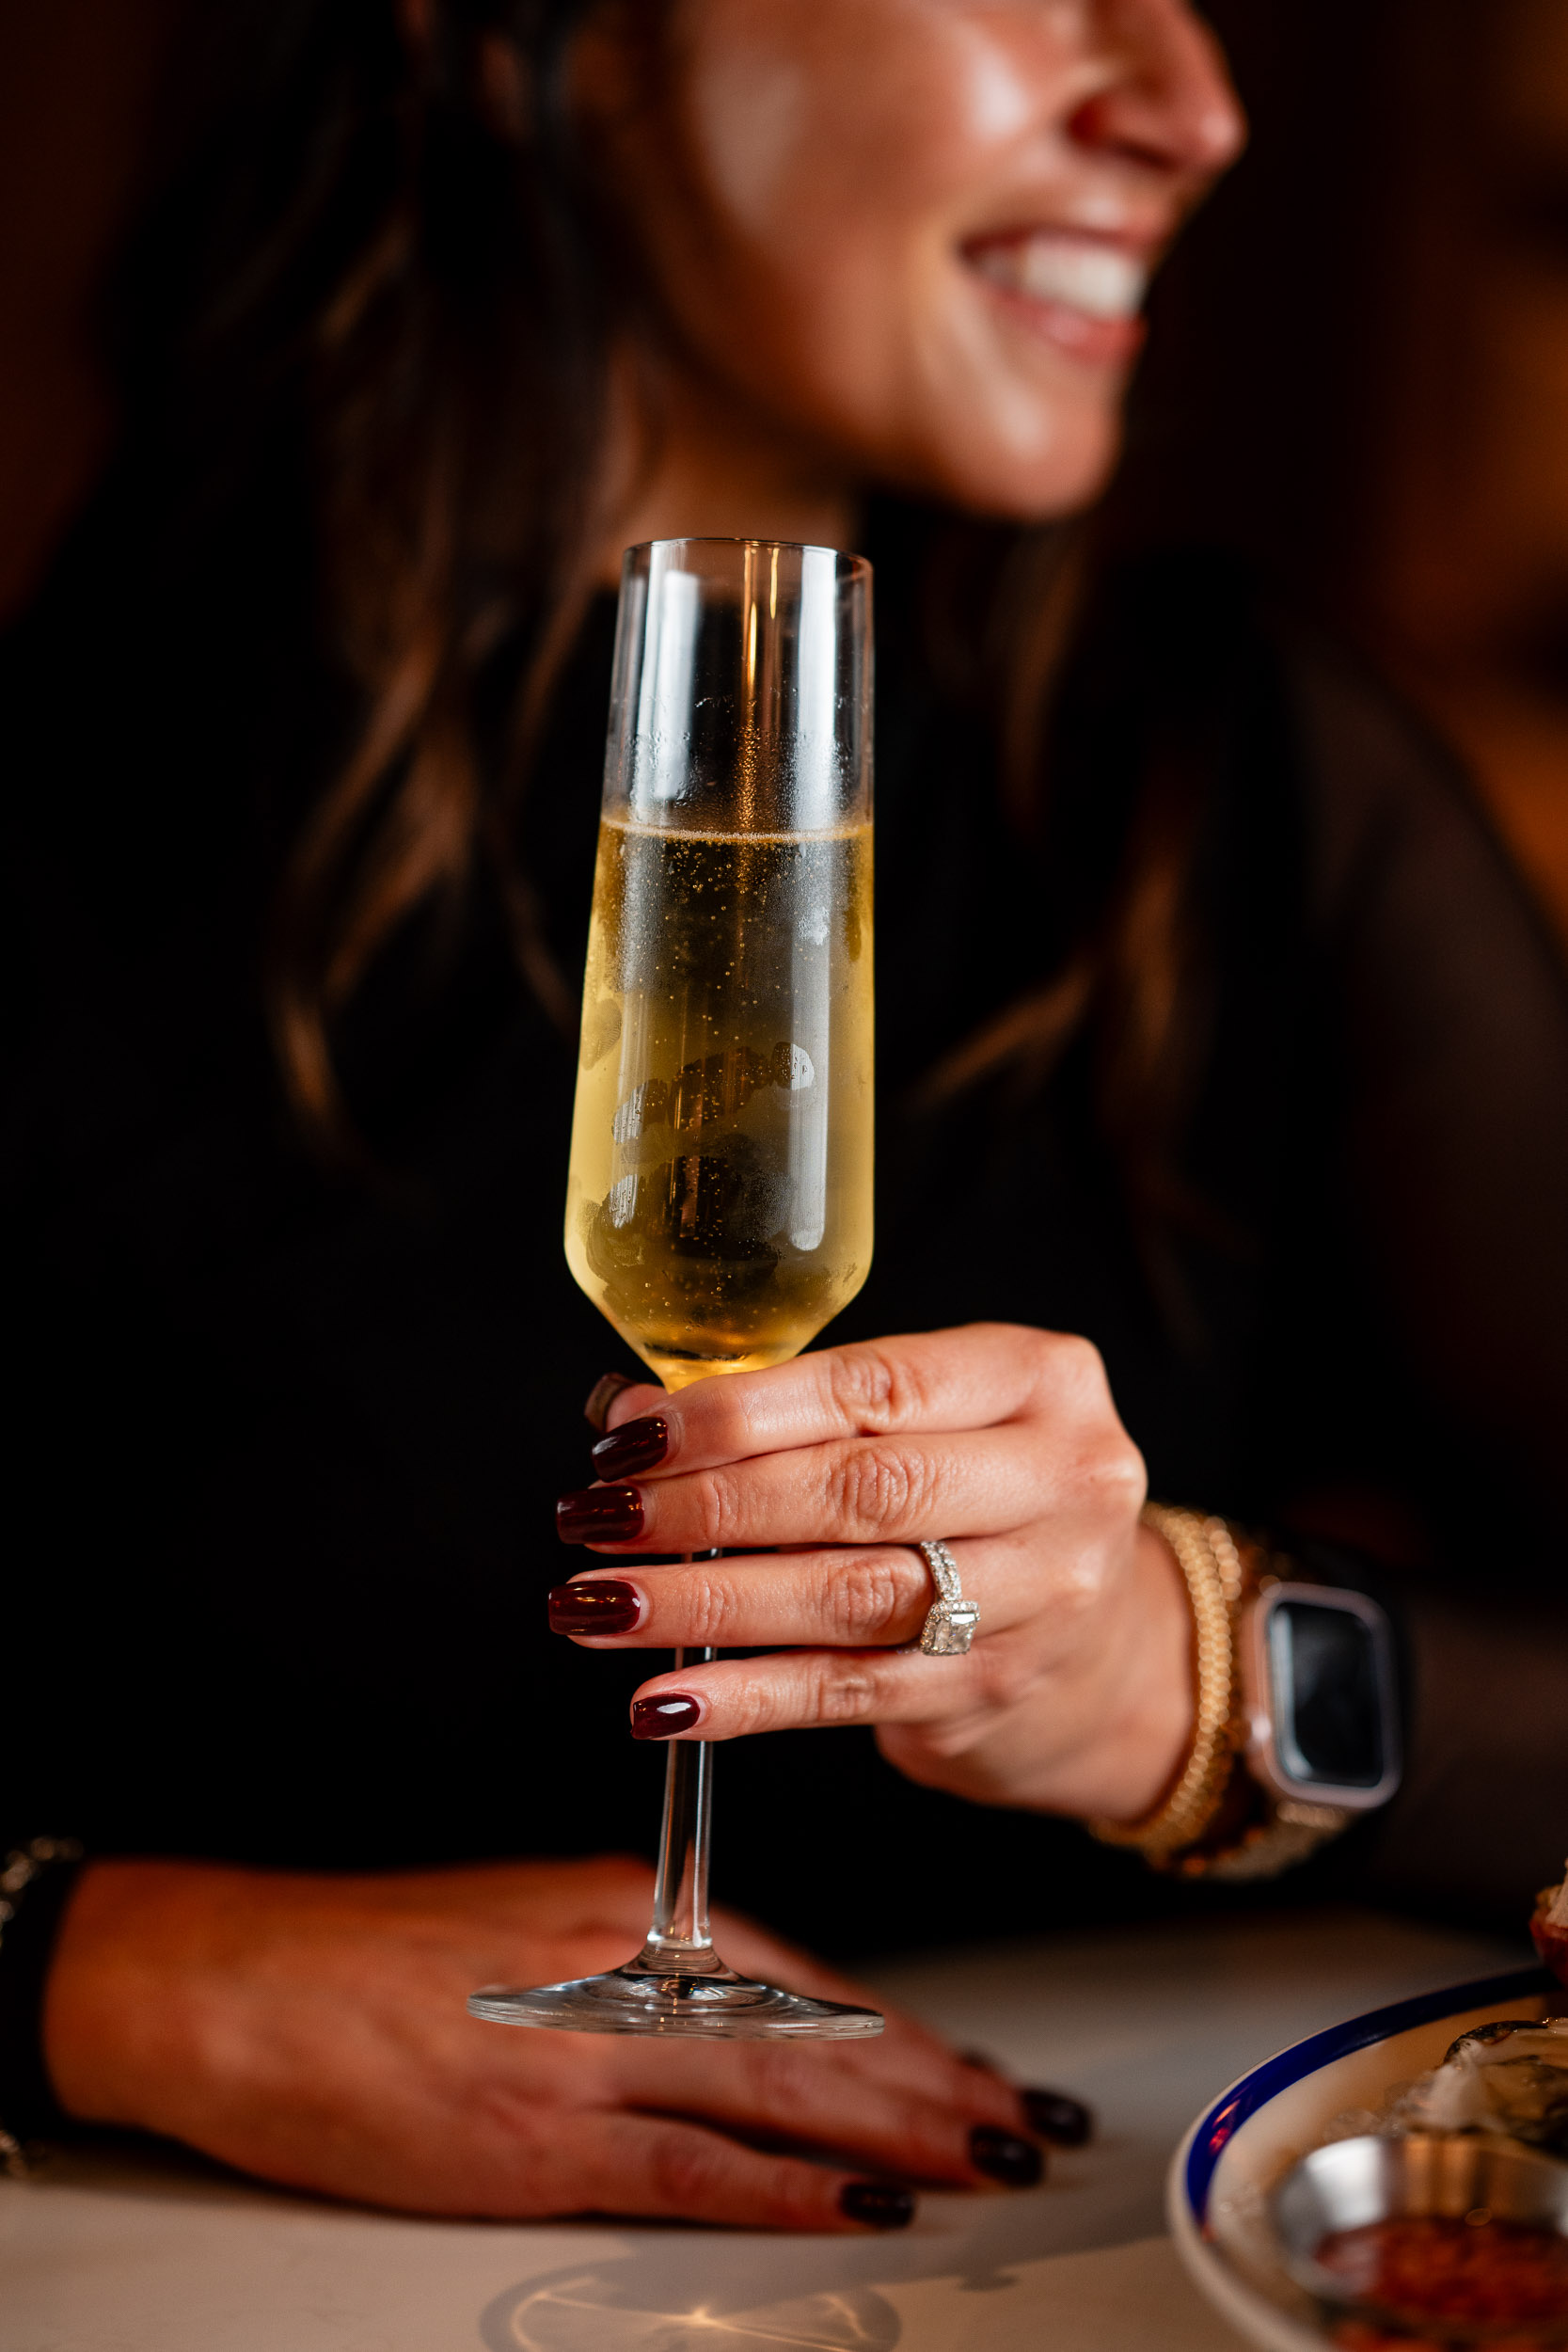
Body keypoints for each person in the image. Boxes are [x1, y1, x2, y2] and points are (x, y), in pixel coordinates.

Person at [4, 0, 1568, 2233]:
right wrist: (110, 1963)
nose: (1195, 107)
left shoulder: (1231, 787)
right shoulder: (61, 824)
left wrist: (1180, 1666)